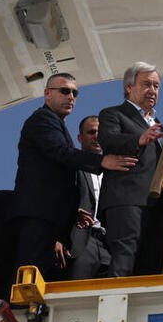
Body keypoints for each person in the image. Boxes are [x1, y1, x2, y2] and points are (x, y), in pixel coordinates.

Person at [10, 73, 138, 280]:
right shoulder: (42, 119)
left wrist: (72, 210)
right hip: (39, 215)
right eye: (64, 91)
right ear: (47, 94)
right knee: (31, 276)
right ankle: (19, 311)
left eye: (74, 93)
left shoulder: (57, 124)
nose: (71, 96)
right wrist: (101, 161)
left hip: (52, 218)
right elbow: (60, 152)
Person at [98, 62, 163, 277]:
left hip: (157, 208)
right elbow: (108, 140)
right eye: (146, 84)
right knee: (125, 261)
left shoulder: (160, 126)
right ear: (129, 88)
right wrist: (139, 140)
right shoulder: (113, 114)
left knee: (151, 268)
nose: (152, 90)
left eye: (156, 86)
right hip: (126, 202)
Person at [56, 116, 112, 280]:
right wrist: (56, 238)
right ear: (80, 138)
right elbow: (55, 200)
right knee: (73, 299)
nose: (96, 136)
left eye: (100, 132)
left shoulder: (116, 172)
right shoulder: (71, 166)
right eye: (91, 132)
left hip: (110, 246)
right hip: (79, 243)